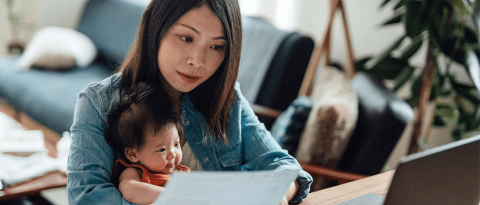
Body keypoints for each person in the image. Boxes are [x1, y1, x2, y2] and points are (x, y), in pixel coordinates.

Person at [67, 0, 313, 204]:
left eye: (216, 46)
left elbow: (282, 165)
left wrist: (279, 193)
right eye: (186, 38)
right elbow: (87, 197)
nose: (198, 61)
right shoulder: (98, 102)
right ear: (156, 30)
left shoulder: (227, 98)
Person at [104, 83, 190, 204]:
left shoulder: (180, 172)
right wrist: (175, 196)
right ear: (132, 154)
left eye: (176, 144)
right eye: (162, 149)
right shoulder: (135, 172)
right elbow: (129, 190)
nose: (173, 154)